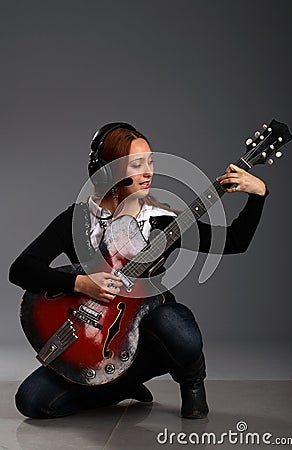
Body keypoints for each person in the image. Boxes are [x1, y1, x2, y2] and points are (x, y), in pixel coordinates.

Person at [9, 122, 268, 420]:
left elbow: (235, 241)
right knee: (32, 401)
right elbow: (22, 269)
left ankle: (192, 382)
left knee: (177, 328)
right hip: (96, 342)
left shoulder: (161, 220)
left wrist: (258, 195)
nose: (148, 172)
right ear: (108, 171)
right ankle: (122, 384)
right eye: (136, 164)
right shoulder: (78, 219)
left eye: (150, 161)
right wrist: (81, 283)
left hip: (149, 334)